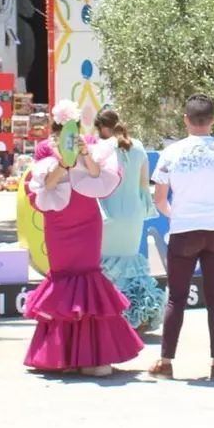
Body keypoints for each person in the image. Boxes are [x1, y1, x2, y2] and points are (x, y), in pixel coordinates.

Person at [22, 100, 142, 376]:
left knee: (89, 276)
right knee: (64, 277)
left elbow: (99, 173)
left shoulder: (89, 142)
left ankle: (93, 356)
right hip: (60, 221)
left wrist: (85, 153)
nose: (69, 131)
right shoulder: (44, 148)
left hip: (86, 219)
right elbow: (44, 185)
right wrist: (63, 164)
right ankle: (65, 355)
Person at [150, 94, 214, 381]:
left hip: (184, 230)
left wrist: (174, 214)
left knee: (176, 299)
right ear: (213, 120)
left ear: (186, 120)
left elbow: (159, 198)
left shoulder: (171, 153)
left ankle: (166, 362)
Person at [94, 109, 167, 333]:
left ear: (102, 128)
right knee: (131, 265)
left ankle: (107, 317)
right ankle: (138, 315)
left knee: (105, 266)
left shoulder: (101, 148)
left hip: (109, 212)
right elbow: (144, 185)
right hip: (134, 214)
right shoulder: (138, 146)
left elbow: (93, 180)